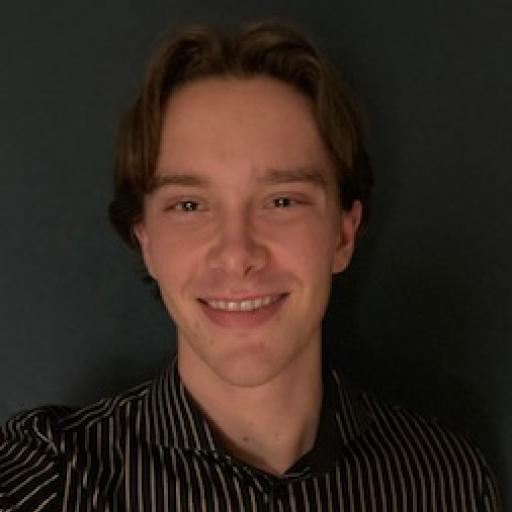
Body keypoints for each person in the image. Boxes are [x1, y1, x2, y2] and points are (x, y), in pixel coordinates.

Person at [0, 21, 500, 511]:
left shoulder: (444, 480)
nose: (237, 254)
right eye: (190, 205)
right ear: (146, 242)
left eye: (282, 201)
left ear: (343, 236)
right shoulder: (56, 479)